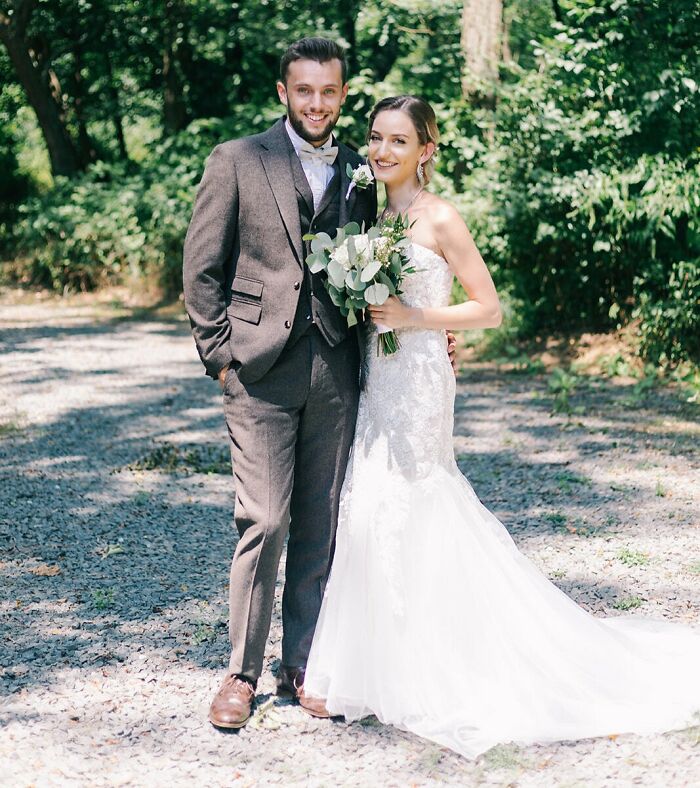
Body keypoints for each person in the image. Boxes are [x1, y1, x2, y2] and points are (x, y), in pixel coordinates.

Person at [304, 95, 700, 759]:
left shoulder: (441, 217)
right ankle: (373, 668)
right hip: (379, 377)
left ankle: (431, 667)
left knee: (417, 499)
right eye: (376, 138)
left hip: (422, 379)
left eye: (399, 141)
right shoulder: (368, 213)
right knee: (369, 502)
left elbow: (488, 308)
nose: (382, 151)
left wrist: (415, 319)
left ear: (426, 149)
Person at [182, 38, 379, 728]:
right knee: (263, 521)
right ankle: (240, 671)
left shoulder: (363, 169)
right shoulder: (237, 159)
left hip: (337, 368)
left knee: (320, 524)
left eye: (328, 92)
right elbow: (202, 266)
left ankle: (303, 664)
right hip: (258, 369)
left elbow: (389, 258)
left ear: (342, 96)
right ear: (283, 92)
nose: (316, 104)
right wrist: (220, 357)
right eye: (304, 91)